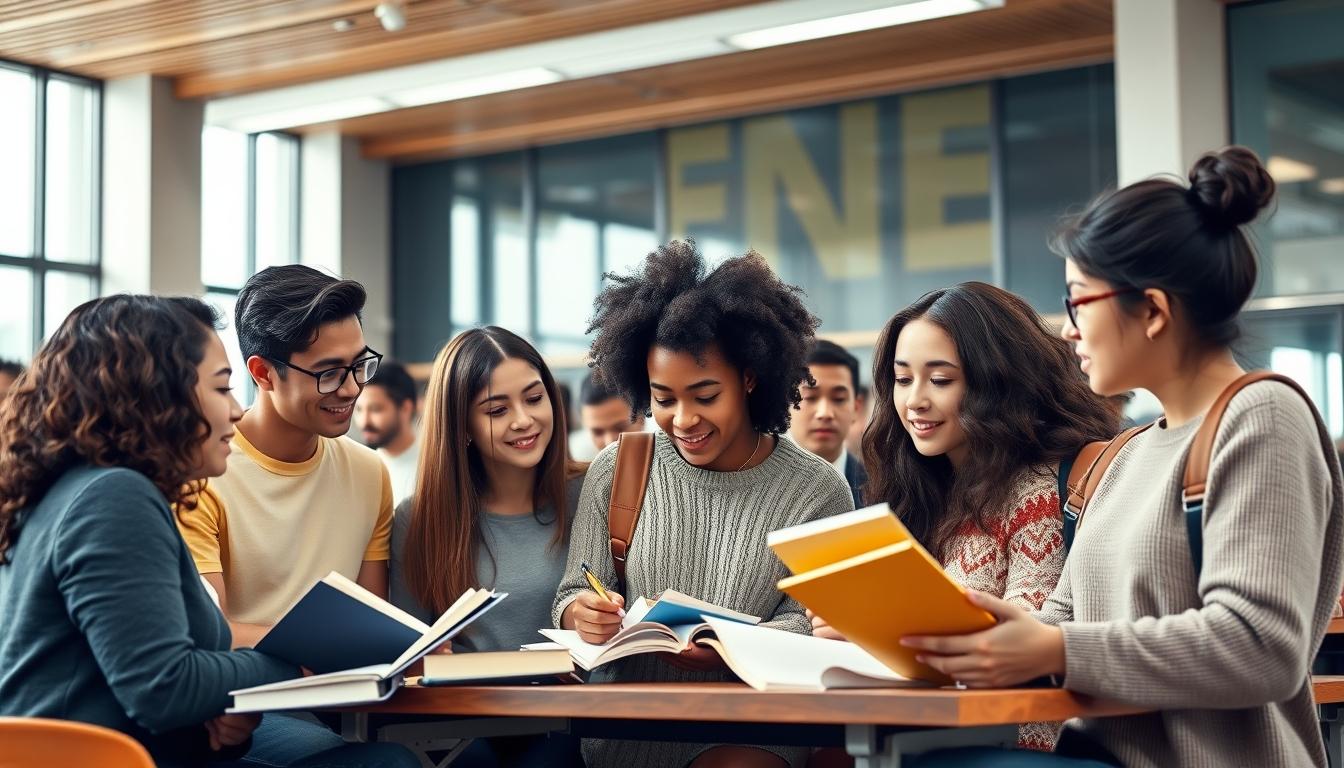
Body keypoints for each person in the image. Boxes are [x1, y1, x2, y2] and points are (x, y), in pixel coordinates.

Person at [900, 147, 1344, 767]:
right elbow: (1062, 622)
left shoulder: (1262, 418)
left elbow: (1260, 647)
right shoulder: (1127, 456)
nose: (1067, 330)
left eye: (1080, 301)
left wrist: (1055, 649)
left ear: (1153, 311)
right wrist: (951, 637)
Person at [0, 295, 416, 768]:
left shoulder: (87, 489)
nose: (237, 411)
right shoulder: (115, 498)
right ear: (159, 397)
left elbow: (148, 672)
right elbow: (164, 688)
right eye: (222, 389)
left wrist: (219, 708)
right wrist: (292, 666)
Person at [553, 241, 855, 768]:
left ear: (750, 377)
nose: (684, 419)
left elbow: (817, 624)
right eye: (664, 399)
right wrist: (583, 613)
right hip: (625, 731)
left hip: (754, 729)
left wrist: (728, 644)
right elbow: (576, 591)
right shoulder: (620, 467)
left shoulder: (819, 489)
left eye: (705, 395)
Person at [810, 282, 1120, 755]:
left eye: (940, 380)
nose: (915, 401)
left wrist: (893, 629)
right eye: (902, 378)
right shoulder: (923, 492)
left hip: (1007, 750)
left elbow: (1027, 645)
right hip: (924, 740)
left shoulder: (1036, 489)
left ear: (995, 383)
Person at [176, 266, 396, 758]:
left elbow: (371, 617)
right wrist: (330, 646)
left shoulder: (368, 472)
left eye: (360, 365)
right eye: (329, 373)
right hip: (241, 705)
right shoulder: (203, 474)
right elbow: (213, 631)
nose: (351, 389)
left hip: (337, 703)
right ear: (261, 372)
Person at [389, 326, 585, 766]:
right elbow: (407, 653)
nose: (524, 419)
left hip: (567, 719)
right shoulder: (417, 520)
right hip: (463, 725)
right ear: (463, 427)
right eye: (498, 409)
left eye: (535, 398)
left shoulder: (591, 491)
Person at [788, 340, 867, 506]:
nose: (825, 413)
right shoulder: (755, 487)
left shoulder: (883, 492)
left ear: (856, 407)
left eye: (838, 399)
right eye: (810, 397)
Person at [355, 359, 421, 505]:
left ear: (405, 408)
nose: (364, 422)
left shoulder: (433, 467)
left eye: (375, 409)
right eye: (359, 409)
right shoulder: (359, 469)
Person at [573, 370, 647, 459]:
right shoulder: (578, 457)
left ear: (643, 416)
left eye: (620, 428)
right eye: (597, 432)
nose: (609, 443)